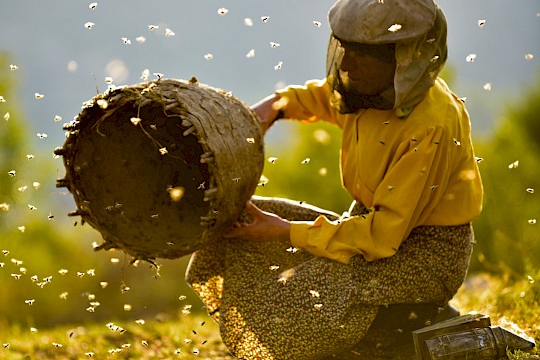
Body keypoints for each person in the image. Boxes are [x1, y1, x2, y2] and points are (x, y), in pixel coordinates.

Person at [186, 0, 484, 358]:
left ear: (403, 56)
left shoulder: (431, 125)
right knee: (242, 227)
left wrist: (283, 230)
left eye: (361, 53)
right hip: (372, 231)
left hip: (423, 257)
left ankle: (404, 324)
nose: (345, 62)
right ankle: (392, 325)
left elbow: (381, 236)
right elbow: (323, 98)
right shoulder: (369, 90)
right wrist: (273, 108)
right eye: (345, 47)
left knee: (297, 297)